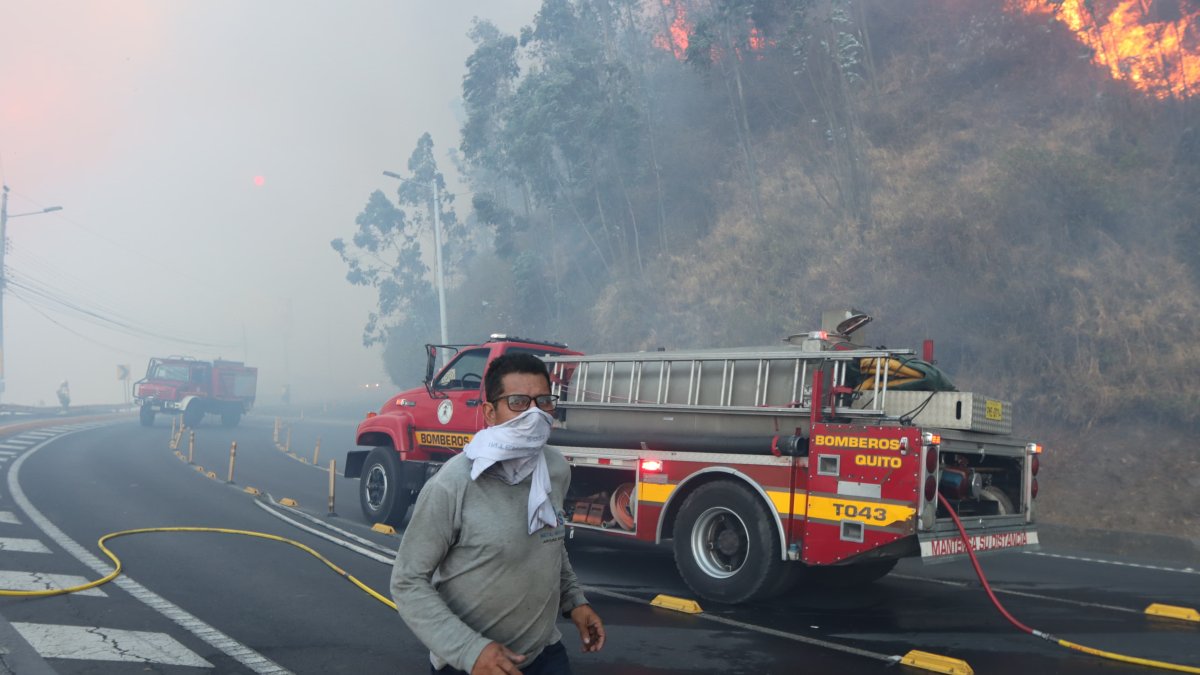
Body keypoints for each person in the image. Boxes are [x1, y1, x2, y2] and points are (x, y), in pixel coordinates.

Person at [391, 353, 605, 674]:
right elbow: (407, 581)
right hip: (469, 664)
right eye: (518, 402)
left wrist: (575, 601)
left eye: (543, 402)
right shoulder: (453, 485)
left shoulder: (555, 468)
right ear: (489, 413)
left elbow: (549, 541)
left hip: (545, 654)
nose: (534, 414)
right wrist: (470, 650)